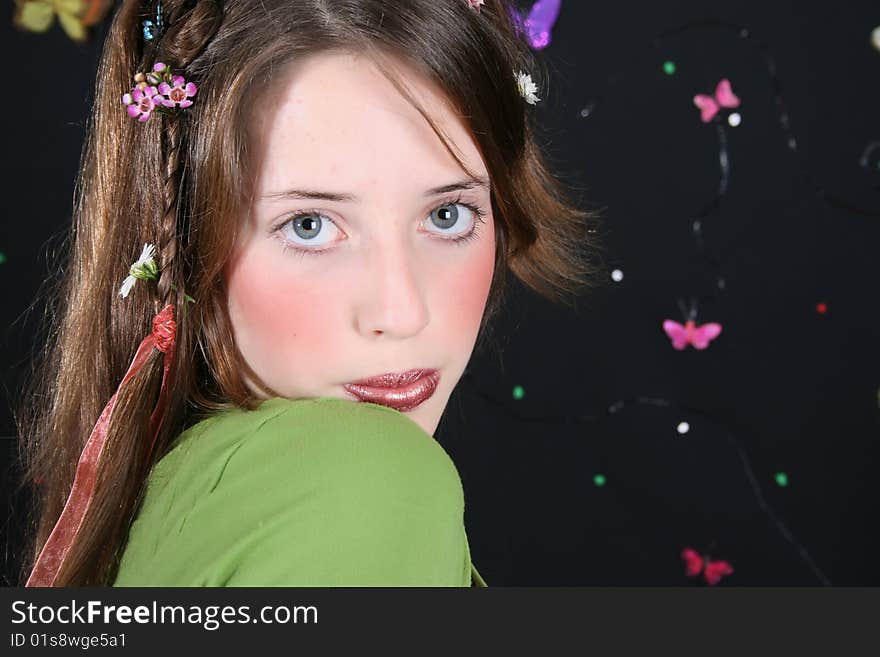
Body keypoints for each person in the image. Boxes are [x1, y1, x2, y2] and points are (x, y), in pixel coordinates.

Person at [15, 0, 601, 587]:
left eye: (447, 215)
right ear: (187, 242)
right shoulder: (365, 480)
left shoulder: (184, 486)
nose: (401, 313)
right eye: (309, 226)